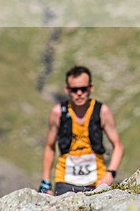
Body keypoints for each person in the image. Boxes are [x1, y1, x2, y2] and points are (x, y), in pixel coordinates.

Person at [40, 66, 124, 195]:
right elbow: (50, 147)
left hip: (97, 182)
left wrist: (110, 174)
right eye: (74, 90)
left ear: (91, 88)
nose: (79, 93)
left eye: (83, 89)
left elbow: (118, 145)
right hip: (65, 183)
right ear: (67, 90)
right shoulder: (58, 113)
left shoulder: (102, 111)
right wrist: (46, 183)